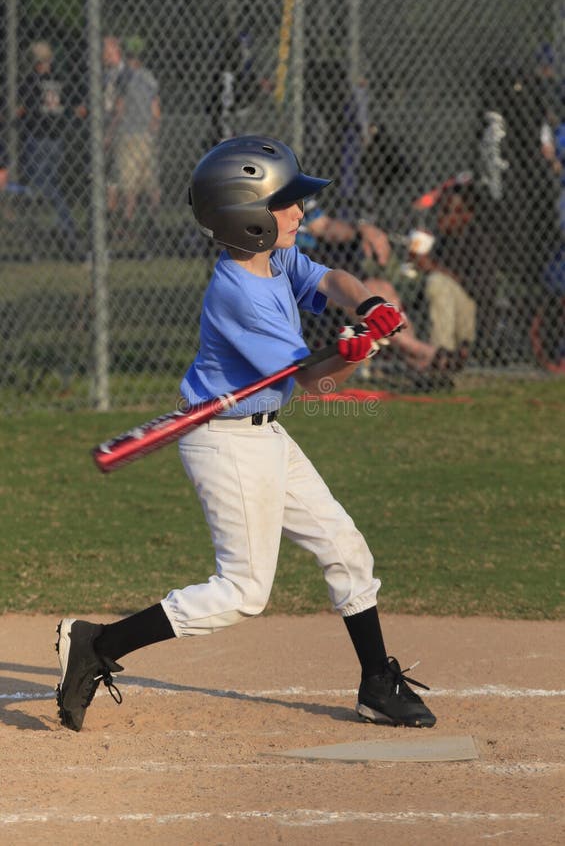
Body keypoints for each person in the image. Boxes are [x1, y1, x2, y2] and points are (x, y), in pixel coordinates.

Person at [55, 135, 436, 733]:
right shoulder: (236, 293)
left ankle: (377, 685)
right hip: (225, 440)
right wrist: (354, 354)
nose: (300, 213)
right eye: (286, 205)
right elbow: (313, 379)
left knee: (344, 545)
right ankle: (99, 645)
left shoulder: (275, 258)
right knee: (243, 591)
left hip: (264, 433)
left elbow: (332, 279)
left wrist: (371, 305)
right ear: (249, 219)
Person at [296, 194, 452, 377]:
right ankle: (424, 354)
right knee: (354, 292)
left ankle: (419, 362)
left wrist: (361, 229)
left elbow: (323, 226)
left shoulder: (292, 190)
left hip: (318, 272)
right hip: (292, 280)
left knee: (381, 289)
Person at [17, 40, 85, 253]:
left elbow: (23, 109)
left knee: (41, 186)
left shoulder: (30, 81)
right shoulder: (59, 80)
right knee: (50, 183)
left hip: (37, 137)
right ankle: (59, 227)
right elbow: (73, 107)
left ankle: (64, 225)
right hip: (56, 138)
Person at [107, 35, 161, 227]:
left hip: (127, 134)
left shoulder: (124, 77)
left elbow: (119, 108)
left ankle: (127, 222)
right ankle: (152, 220)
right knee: (150, 183)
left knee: (129, 185)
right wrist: (153, 130)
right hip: (146, 135)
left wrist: (110, 133)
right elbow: (156, 110)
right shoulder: (149, 77)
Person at [408, 226, 476, 358]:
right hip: (412, 299)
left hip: (458, 301)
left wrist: (429, 266)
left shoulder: (456, 246)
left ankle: (455, 351)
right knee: (437, 282)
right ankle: (442, 354)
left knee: (439, 282)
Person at [102, 35, 125, 217]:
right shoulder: (104, 74)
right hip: (106, 125)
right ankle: (110, 214)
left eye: (106, 49)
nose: (103, 54)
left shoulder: (123, 73)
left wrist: (110, 133)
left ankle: (118, 217)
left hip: (121, 129)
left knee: (118, 175)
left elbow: (121, 107)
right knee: (109, 176)